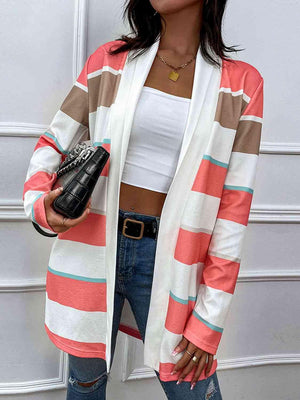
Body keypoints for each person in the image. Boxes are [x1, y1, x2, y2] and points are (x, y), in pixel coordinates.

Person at [23, 0, 264, 399]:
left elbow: (233, 208)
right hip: (91, 249)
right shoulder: (110, 61)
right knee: (85, 387)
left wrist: (211, 317)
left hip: (172, 259)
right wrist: (40, 204)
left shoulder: (242, 85)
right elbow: (53, 142)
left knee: (192, 385)